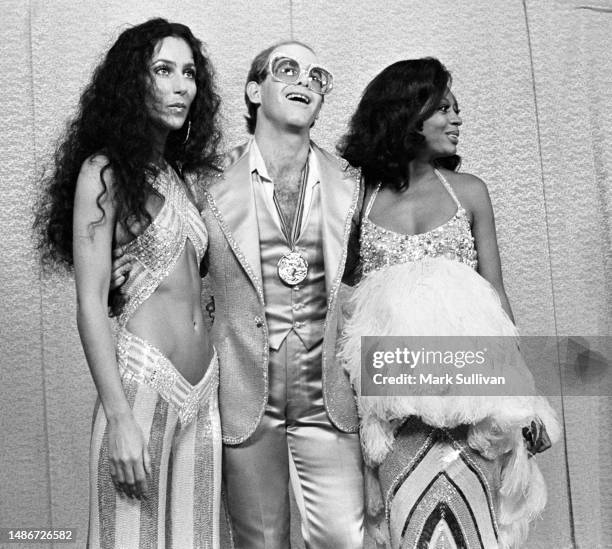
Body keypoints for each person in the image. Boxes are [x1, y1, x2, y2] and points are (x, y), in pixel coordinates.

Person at [338, 58, 560, 549]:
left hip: (473, 405)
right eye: (443, 109)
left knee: (477, 532)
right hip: (395, 414)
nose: (457, 119)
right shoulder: (356, 202)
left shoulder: (470, 192)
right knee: (407, 530)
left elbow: (496, 297)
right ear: (406, 113)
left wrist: (525, 401)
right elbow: (346, 313)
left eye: (456, 110)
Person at [34, 19, 222, 548]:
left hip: (204, 393)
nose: (181, 85)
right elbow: (91, 305)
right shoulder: (104, 171)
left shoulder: (178, 176)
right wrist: (118, 416)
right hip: (143, 386)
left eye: (188, 72)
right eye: (163, 70)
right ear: (131, 82)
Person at [201, 41, 364, 549]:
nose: (305, 81)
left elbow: (368, 285)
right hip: (245, 392)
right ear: (254, 90)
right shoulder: (205, 182)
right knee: (261, 543)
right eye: (287, 69)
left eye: (318, 75)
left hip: (328, 395)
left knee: (344, 540)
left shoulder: (354, 183)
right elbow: (171, 266)